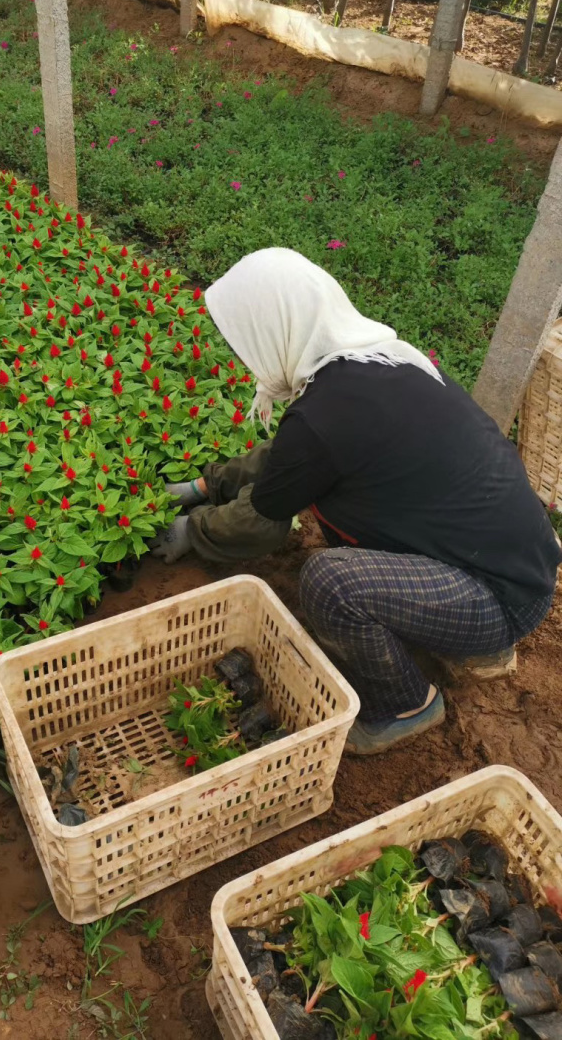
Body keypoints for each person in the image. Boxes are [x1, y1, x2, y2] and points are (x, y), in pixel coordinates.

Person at [150, 248, 561, 755]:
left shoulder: (326, 415)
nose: (242, 354)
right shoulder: (377, 361)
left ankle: (407, 705)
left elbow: (264, 519)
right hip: (523, 566)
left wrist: (194, 530)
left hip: (497, 599)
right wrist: (207, 486)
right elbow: (290, 458)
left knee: (331, 583)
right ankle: (481, 644)